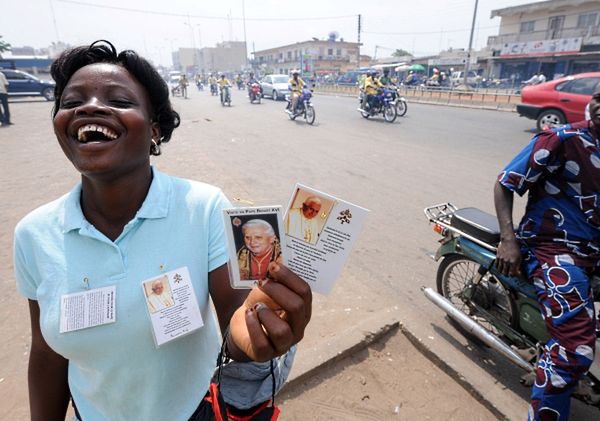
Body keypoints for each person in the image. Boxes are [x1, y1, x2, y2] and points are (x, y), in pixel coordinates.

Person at [13, 40, 312, 420]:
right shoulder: (34, 234)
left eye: (119, 100)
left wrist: (253, 340)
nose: (89, 107)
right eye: (72, 102)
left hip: (196, 411)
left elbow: (239, 320)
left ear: (154, 129)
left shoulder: (204, 208)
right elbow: (46, 351)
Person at [494, 86, 600, 421]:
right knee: (576, 348)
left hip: (593, 250)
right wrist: (508, 240)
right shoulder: (562, 138)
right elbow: (504, 183)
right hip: (552, 248)